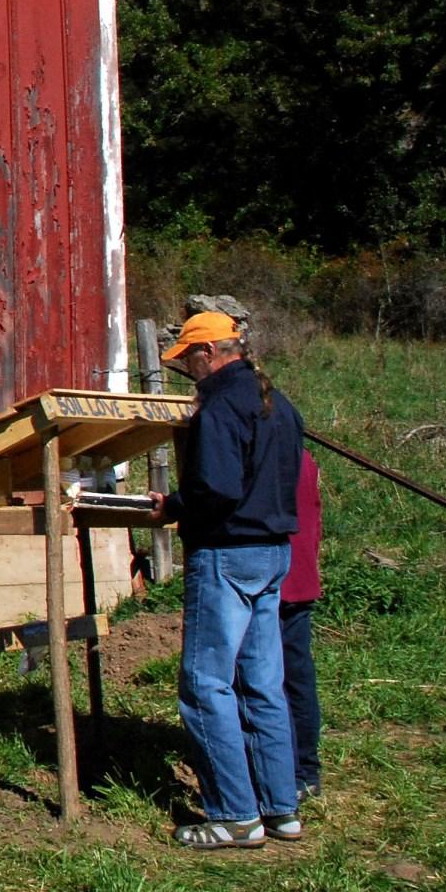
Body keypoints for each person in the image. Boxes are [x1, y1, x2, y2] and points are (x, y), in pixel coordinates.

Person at [152, 311, 304, 849]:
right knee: (262, 683)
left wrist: (173, 506)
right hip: (272, 552)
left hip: (227, 554)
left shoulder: (219, 406)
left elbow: (216, 487)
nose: (188, 370)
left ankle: (235, 815)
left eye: (188, 359)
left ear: (208, 353)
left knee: (205, 684)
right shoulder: (278, 404)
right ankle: (281, 807)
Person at [282, 449, 324, 802]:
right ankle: (305, 770)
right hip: (300, 574)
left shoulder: (261, 451)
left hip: (274, 578)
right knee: (297, 677)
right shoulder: (303, 456)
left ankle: (292, 770)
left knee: (273, 682)